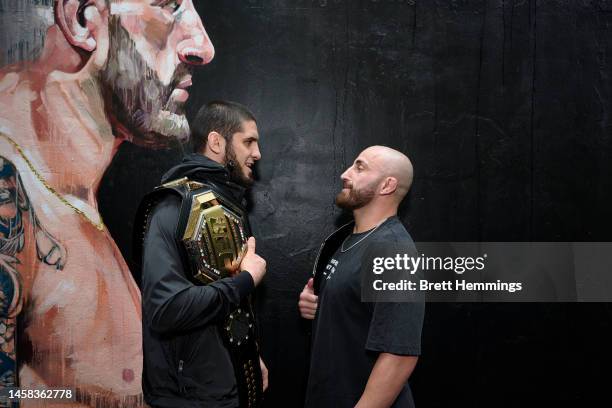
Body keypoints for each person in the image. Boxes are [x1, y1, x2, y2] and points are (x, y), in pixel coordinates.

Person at [0, 0, 214, 403]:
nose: (203, 48)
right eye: (169, 7)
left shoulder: (67, 194)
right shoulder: (10, 190)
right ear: (83, 19)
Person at [138, 101, 268, 408]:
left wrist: (248, 356)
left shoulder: (224, 204)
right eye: (248, 141)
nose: (257, 153)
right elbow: (165, 310)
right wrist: (247, 279)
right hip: (189, 399)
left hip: (226, 388)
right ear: (216, 142)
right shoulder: (174, 207)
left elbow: (228, 306)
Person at [299, 146, 425, 408]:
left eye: (360, 167)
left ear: (387, 185)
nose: (345, 174)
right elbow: (354, 310)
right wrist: (318, 305)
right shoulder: (347, 240)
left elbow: (399, 355)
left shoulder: (393, 251)